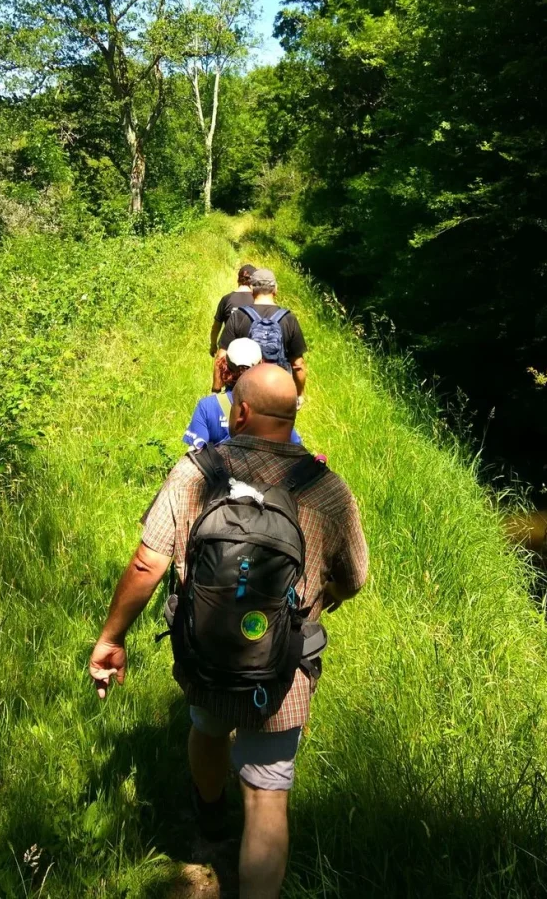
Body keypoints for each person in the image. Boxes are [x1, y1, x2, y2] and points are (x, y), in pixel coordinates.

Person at [89, 364, 368, 899]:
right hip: (281, 673)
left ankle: (211, 820)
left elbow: (148, 564)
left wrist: (112, 638)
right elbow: (353, 578)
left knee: (208, 728)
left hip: (206, 655)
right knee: (267, 795)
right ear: (292, 416)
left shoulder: (196, 471)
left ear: (239, 411)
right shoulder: (327, 487)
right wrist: (321, 597)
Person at [183, 337, 302, 449]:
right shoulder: (271, 407)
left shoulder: (207, 407)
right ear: (261, 366)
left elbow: (196, 453)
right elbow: (295, 446)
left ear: (224, 366)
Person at [218, 268, 308, 403]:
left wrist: (216, 389)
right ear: (275, 289)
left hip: (245, 391)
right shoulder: (289, 318)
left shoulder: (238, 316)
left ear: (252, 289)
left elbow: (221, 356)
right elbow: (298, 365)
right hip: (278, 392)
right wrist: (299, 394)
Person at [210, 264, 256, 391]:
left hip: (229, 353)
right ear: (253, 281)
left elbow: (216, 326)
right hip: (252, 356)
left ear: (238, 279)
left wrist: (213, 345)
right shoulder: (256, 300)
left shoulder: (227, 299)